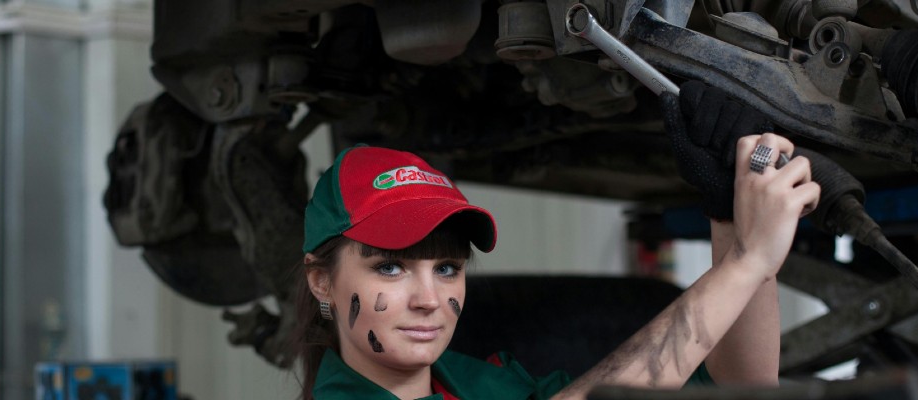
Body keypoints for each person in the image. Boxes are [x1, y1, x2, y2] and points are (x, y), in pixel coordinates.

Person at [289, 82, 821, 400]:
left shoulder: (472, 383)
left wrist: (728, 213)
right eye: (391, 268)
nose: (430, 299)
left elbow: (742, 387)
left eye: (447, 268)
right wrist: (748, 260)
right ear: (322, 282)